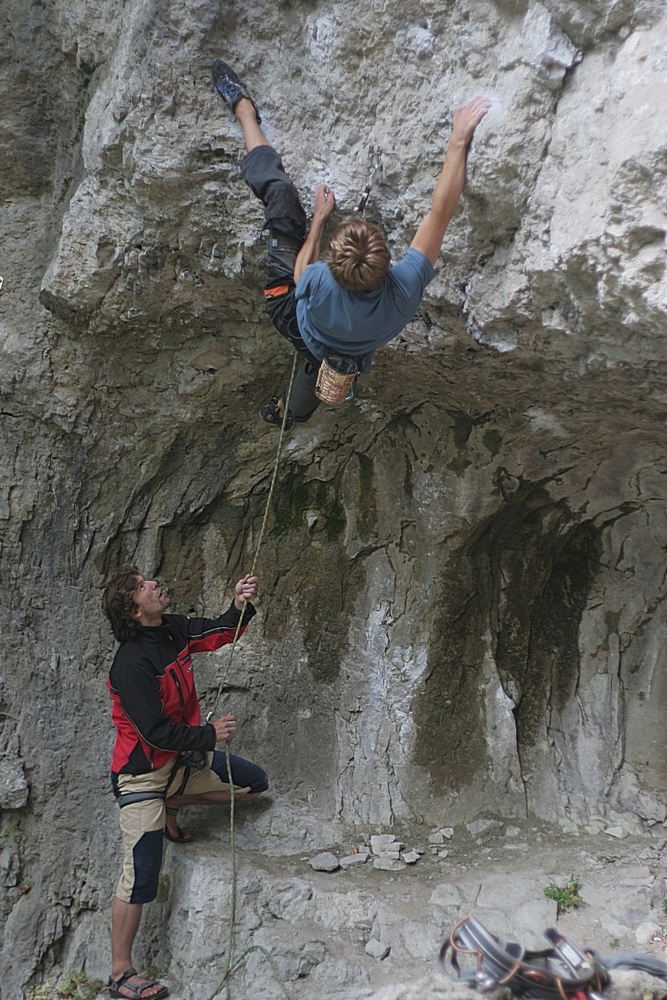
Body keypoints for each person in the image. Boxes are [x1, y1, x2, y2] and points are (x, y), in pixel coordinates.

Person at [211, 59, 490, 428]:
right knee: (315, 366)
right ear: (387, 265)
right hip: (332, 347)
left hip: (290, 312)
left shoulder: (321, 282)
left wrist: (320, 221)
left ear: (332, 268)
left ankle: (245, 112)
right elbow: (440, 214)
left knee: (281, 195)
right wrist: (459, 142)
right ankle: (289, 413)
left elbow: (299, 274)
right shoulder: (403, 293)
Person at [101, 568, 268, 1000]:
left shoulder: (172, 630)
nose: (154, 583)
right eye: (143, 585)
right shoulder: (131, 664)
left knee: (254, 784)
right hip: (142, 775)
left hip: (180, 765)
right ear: (134, 609)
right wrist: (208, 735)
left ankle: (172, 803)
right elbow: (154, 732)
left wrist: (238, 603)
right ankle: (120, 973)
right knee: (142, 874)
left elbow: (218, 632)